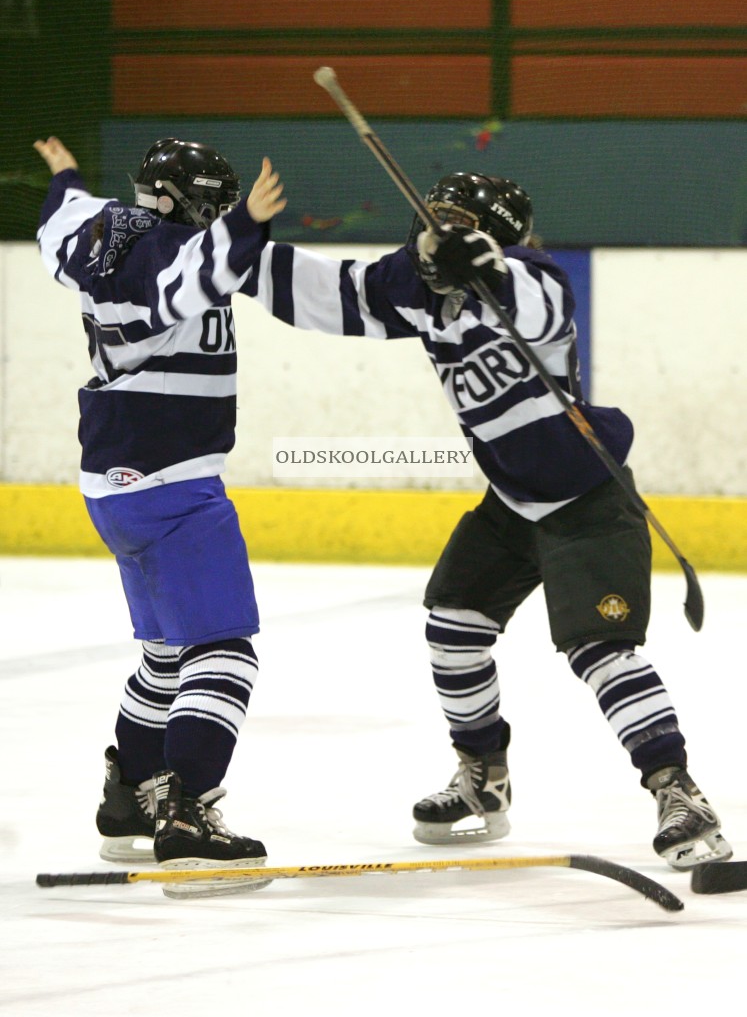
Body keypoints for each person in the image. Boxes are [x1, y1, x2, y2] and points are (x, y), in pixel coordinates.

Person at [236, 170, 731, 871]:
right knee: (452, 629)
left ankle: (678, 792)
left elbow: (536, 302)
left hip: (586, 500)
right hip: (511, 503)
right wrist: (233, 245)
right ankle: (483, 781)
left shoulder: (532, 280)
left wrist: (487, 268)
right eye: (432, 215)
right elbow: (327, 293)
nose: (433, 227)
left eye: (453, 220)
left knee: (600, 650)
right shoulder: (416, 292)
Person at [34, 135, 286, 897]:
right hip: (177, 481)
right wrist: (245, 223)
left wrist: (65, 174)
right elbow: (192, 275)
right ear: (185, 202)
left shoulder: (95, 230)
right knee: (223, 650)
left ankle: (128, 798)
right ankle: (187, 815)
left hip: (110, 486)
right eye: (211, 199)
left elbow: (60, 217)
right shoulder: (172, 259)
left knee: (164, 655)